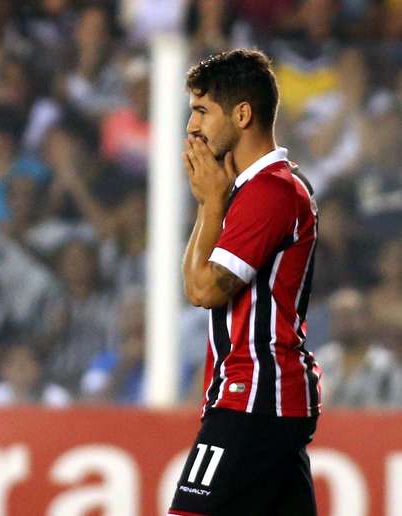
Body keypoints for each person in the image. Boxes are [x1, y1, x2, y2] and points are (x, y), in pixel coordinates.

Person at [169, 49, 321, 516]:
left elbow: (204, 290)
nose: (192, 127)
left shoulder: (271, 192)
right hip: (262, 400)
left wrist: (209, 205)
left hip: (253, 398)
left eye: (201, 111)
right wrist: (212, 201)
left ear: (242, 114)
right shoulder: (254, 190)